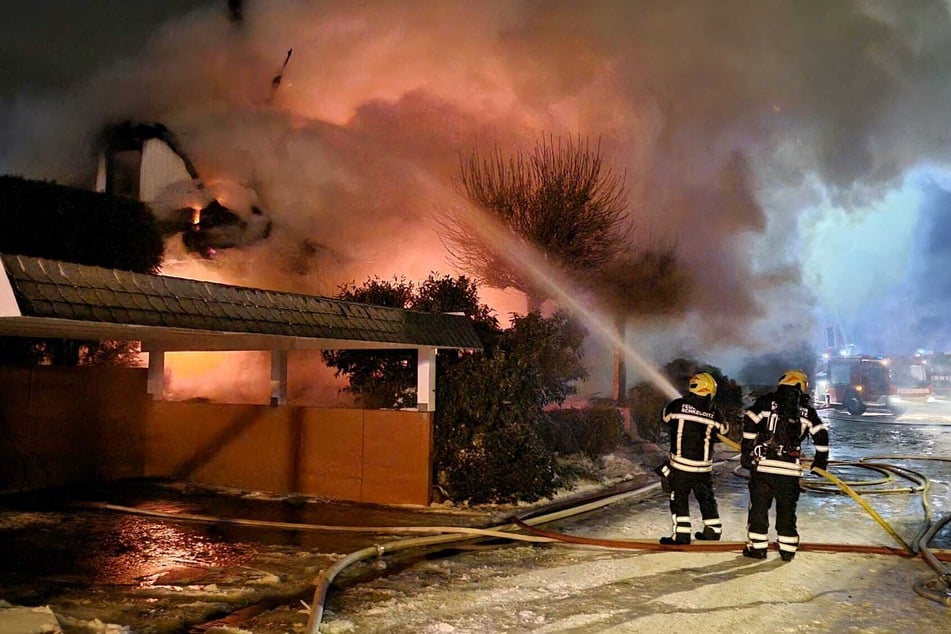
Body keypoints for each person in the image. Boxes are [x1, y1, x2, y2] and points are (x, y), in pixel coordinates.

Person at [740, 369, 830, 561]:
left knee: (758, 509)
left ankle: (758, 548)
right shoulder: (807, 411)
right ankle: (788, 549)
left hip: (764, 468)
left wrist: (747, 451)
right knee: (787, 510)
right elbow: (821, 435)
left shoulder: (765, 402)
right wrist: (820, 463)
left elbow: (749, 420)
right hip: (790, 471)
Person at [657, 372, 731, 545]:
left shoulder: (677, 405)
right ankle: (712, 531)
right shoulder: (714, 412)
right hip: (703, 468)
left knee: (679, 498)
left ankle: (682, 535)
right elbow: (724, 430)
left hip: (681, 466)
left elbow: (665, 417)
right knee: (706, 498)